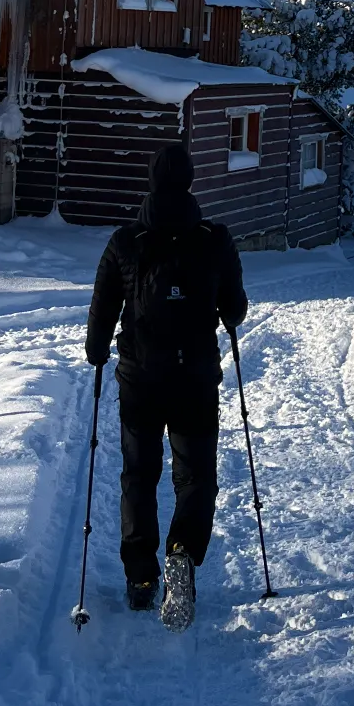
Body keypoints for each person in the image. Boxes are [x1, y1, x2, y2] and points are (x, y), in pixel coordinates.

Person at [85, 142, 248, 628]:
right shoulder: (215, 239)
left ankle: (140, 577)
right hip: (195, 377)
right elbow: (235, 311)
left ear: (152, 181)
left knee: (139, 474)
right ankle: (182, 550)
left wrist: (97, 354)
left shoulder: (125, 241)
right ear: (192, 181)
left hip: (140, 378)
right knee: (196, 476)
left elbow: (102, 312)